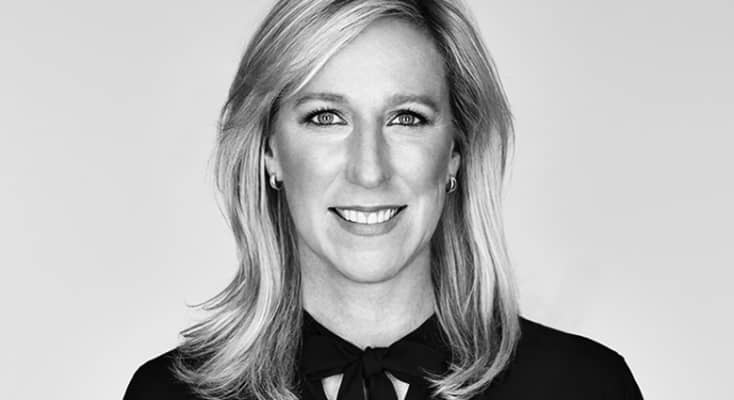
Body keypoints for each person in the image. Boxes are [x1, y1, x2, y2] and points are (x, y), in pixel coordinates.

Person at [123, 0, 644, 399]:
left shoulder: (586, 386)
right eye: (326, 117)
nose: (369, 170)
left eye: (406, 118)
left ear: (455, 154)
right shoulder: (166, 395)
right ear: (269, 153)